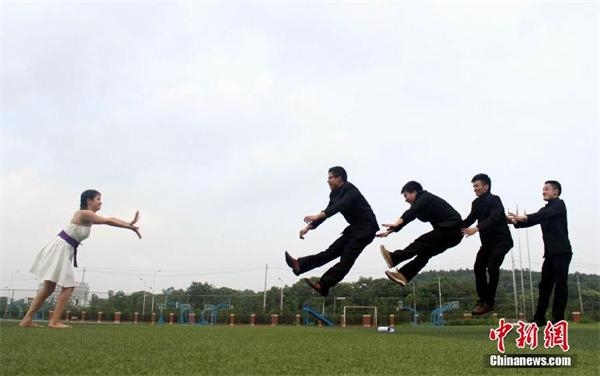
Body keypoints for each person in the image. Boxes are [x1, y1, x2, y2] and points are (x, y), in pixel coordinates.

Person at [19, 190, 141, 328]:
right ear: (89, 201)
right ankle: (54, 322)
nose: (101, 202)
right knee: (68, 286)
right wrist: (129, 226)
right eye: (98, 199)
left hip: (64, 249)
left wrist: (129, 224)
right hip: (60, 248)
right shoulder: (84, 213)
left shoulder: (89, 217)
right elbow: (109, 220)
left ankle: (27, 320)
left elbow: (110, 219)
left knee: (49, 287)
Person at [284, 166, 379, 297]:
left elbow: (341, 206)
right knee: (331, 252)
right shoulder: (334, 194)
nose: (327, 181)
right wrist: (308, 227)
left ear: (339, 178)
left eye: (330, 178)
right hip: (354, 228)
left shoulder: (351, 190)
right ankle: (300, 265)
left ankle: (324, 284)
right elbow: (328, 210)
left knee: (346, 258)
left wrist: (318, 216)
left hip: (367, 229)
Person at [508, 180, 572, 326]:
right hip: (550, 253)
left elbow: (537, 216)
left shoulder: (559, 205)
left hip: (562, 252)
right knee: (545, 286)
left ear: (556, 192)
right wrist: (512, 221)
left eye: (547, 189)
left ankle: (558, 319)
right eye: (543, 189)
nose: (543, 191)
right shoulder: (544, 210)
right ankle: (539, 318)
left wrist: (525, 217)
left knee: (560, 285)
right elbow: (531, 220)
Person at [378, 181, 463, 286]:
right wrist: (390, 231)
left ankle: (394, 258)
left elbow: (412, 212)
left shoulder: (425, 197)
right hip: (453, 236)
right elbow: (410, 216)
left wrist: (397, 222)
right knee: (425, 253)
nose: (405, 200)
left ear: (414, 192)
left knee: (421, 242)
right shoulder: (419, 204)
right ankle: (404, 275)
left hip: (452, 228)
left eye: (406, 196)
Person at [462, 173, 513, 315]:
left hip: (502, 242)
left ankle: (489, 302)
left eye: (477, 186)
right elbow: (469, 219)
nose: (475, 189)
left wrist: (476, 229)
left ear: (486, 186)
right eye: (473, 187)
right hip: (487, 244)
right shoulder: (476, 203)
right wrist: (452, 226)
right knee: (478, 267)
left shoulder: (494, 200)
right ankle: (483, 300)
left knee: (492, 267)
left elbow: (494, 217)